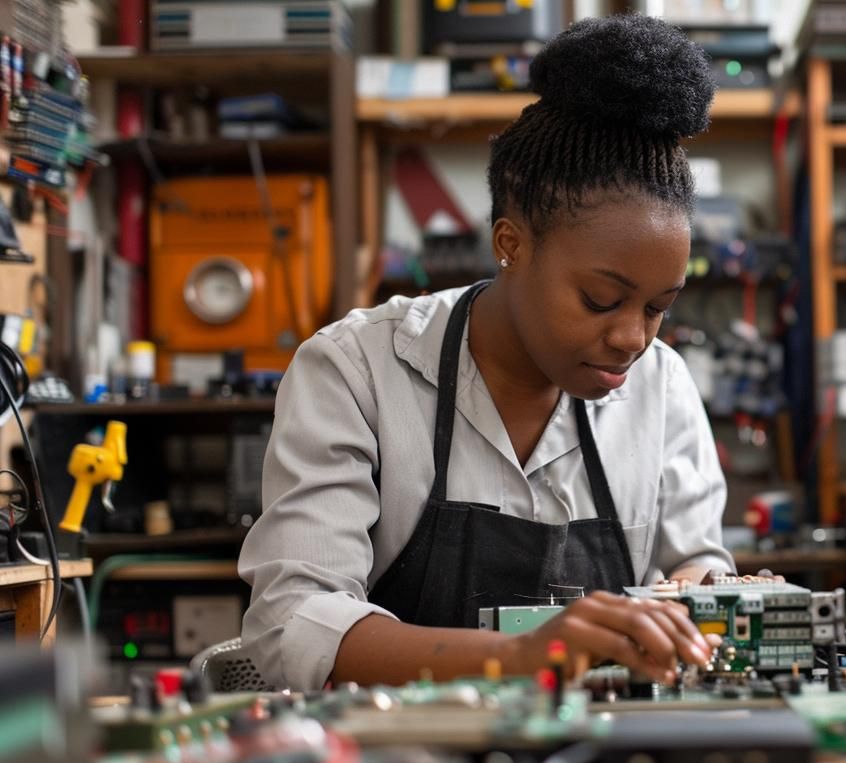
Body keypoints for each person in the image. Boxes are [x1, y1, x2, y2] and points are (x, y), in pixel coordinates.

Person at [238, 15, 735, 691]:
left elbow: (696, 563)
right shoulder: (356, 369)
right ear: (511, 243)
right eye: (599, 299)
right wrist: (522, 659)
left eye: (658, 307)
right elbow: (293, 621)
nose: (632, 338)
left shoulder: (662, 385)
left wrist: (696, 596)